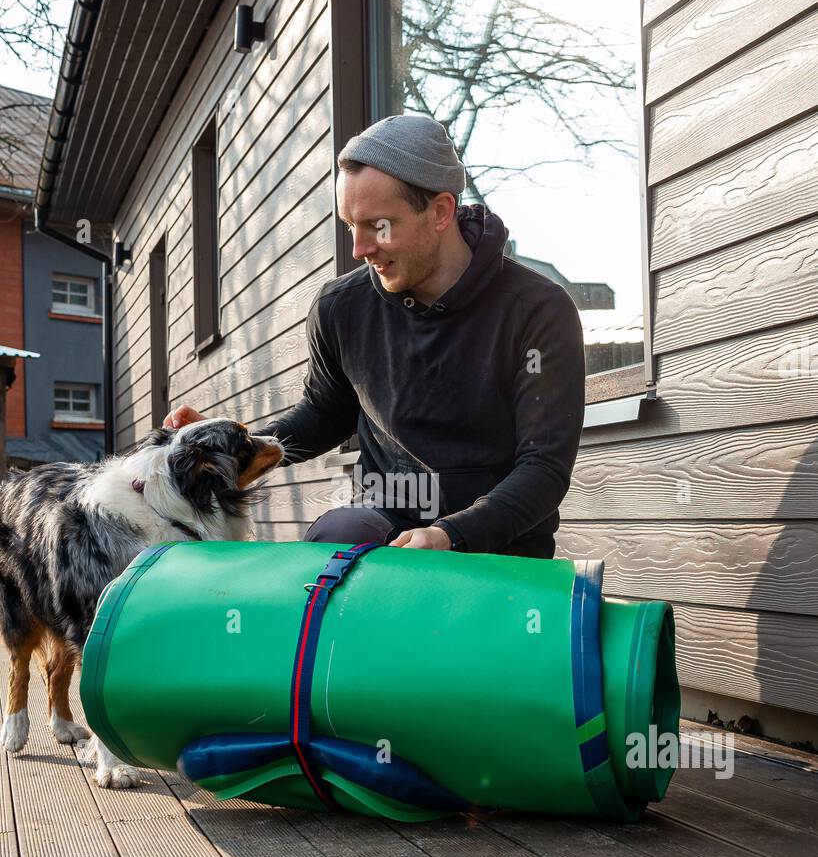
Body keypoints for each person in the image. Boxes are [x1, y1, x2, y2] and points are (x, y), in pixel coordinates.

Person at [165, 113, 585, 556]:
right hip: (383, 521)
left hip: (497, 546)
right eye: (351, 226)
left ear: (440, 212)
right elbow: (324, 415)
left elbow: (543, 468)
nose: (359, 249)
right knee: (334, 536)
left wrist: (450, 535)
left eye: (377, 226)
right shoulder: (340, 308)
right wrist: (237, 446)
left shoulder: (537, 310)